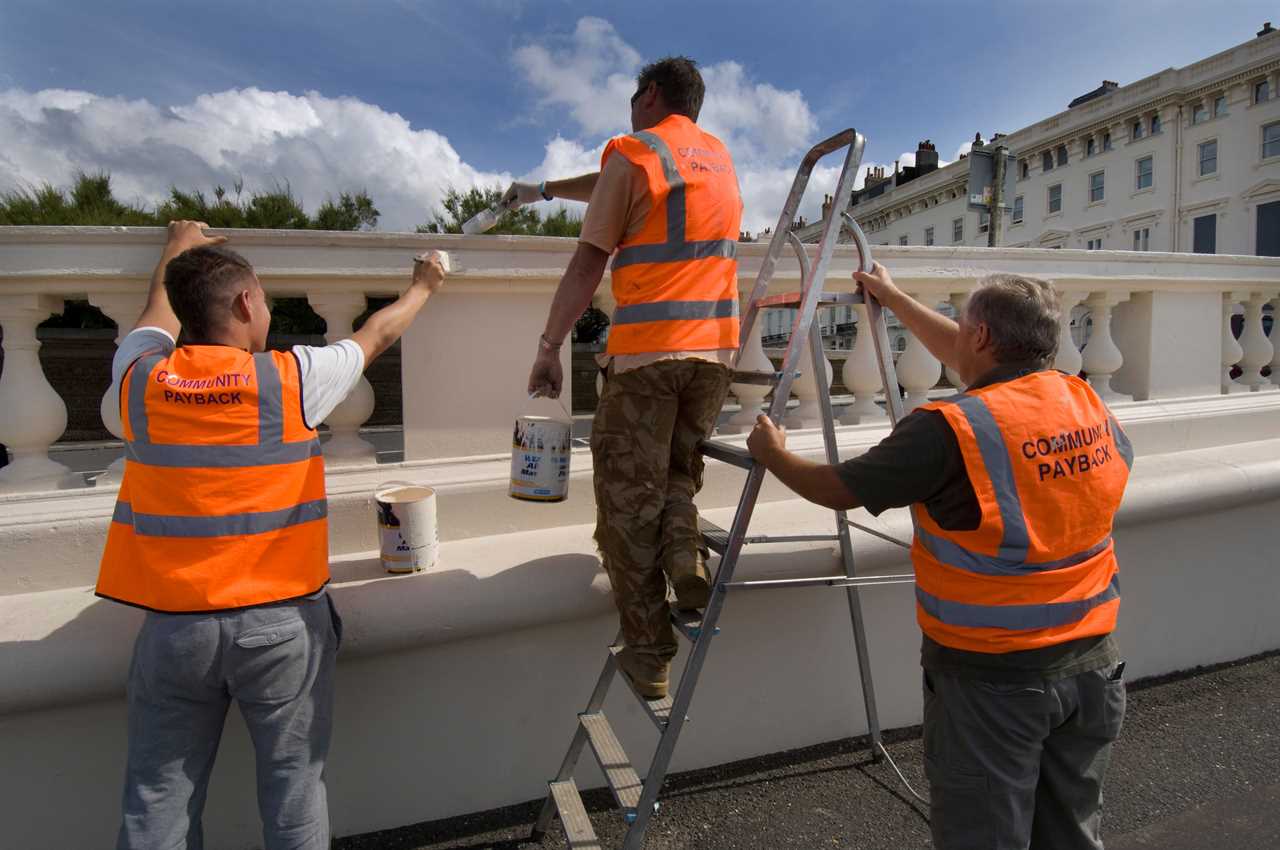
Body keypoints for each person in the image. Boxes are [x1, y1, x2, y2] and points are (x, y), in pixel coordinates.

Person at [746, 264, 1133, 850]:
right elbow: (972, 356)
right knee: (1072, 832)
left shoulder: (953, 429)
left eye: (964, 327)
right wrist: (894, 298)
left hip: (995, 682)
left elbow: (840, 489)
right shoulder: (1083, 401)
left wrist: (773, 453)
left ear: (979, 338)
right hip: (1093, 668)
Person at [96, 220, 447, 849]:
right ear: (243, 303)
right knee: (294, 797)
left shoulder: (138, 383)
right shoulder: (291, 378)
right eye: (261, 297)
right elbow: (377, 333)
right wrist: (424, 285)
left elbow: (153, 317)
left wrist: (175, 251)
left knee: (157, 802)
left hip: (175, 628)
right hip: (281, 628)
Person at [505, 56, 742, 700]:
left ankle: (649, 652)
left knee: (625, 507)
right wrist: (546, 190)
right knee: (674, 476)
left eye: (634, 93)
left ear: (652, 95)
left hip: (646, 358)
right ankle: (687, 554)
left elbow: (588, 262)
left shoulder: (636, 154)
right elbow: (617, 184)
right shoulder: (716, 158)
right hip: (713, 356)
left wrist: (550, 346)